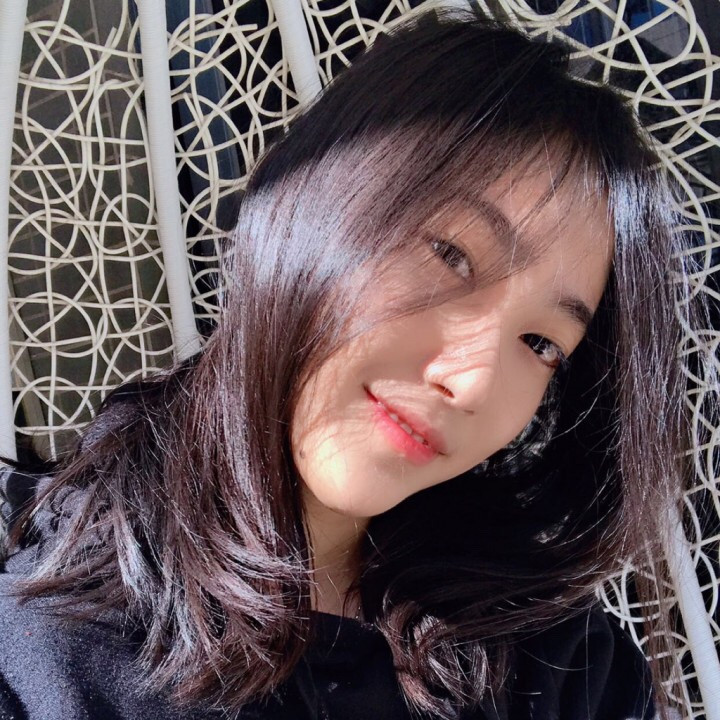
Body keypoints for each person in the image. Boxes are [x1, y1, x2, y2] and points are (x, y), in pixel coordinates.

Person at [0, 7, 706, 720]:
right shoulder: (43, 639)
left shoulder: (564, 669)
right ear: (299, 194)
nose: (471, 382)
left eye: (540, 343)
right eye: (451, 256)